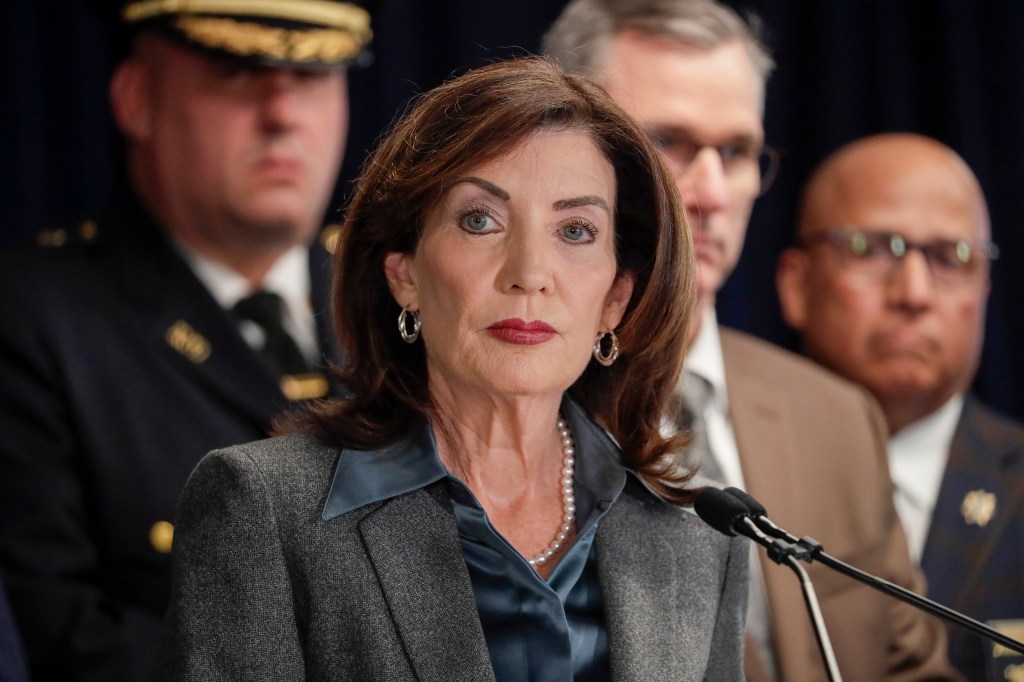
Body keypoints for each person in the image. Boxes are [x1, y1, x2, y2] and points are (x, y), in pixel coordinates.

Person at [157, 55, 748, 681]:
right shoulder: (267, 511)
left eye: (575, 230)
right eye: (480, 220)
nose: (529, 273)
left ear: (615, 298)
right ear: (404, 274)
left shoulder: (700, 546)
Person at [543, 1, 960, 680]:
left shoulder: (836, 417)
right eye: (670, 142)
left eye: (735, 151)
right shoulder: (515, 416)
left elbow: (912, 667)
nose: (710, 192)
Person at [0, 2, 373, 680]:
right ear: (138, 99)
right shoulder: (33, 318)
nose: (284, 113)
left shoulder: (405, 298)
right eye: (237, 70)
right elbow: (58, 634)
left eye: (315, 73)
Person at [777, 132, 1024, 681]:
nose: (913, 292)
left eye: (952, 257)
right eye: (870, 248)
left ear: (984, 286)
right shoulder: (731, 479)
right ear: (796, 285)